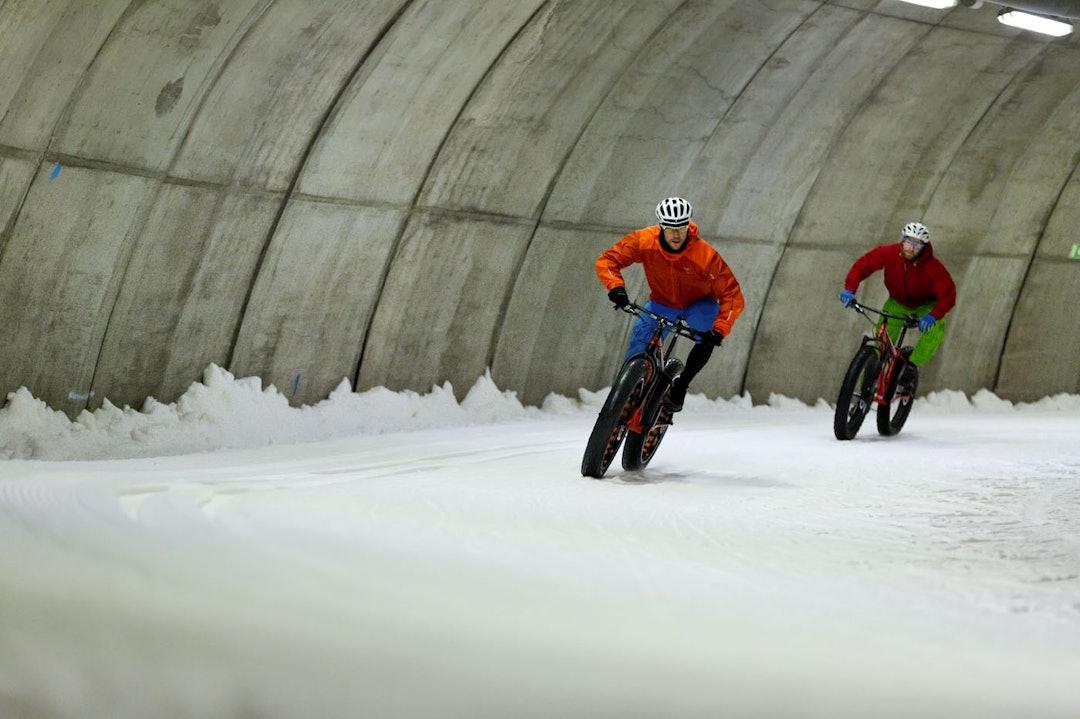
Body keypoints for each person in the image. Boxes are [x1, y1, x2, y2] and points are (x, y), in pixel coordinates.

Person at [595, 197, 744, 411]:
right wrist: (616, 287)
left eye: (681, 228)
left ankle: (681, 384)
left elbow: (732, 293)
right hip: (661, 302)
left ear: (688, 226)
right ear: (660, 226)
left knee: (708, 335)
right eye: (670, 228)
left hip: (699, 304)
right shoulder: (644, 241)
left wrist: (720, 330)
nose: (676, 234)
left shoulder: (705, 256)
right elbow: (608, 260)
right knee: (638, 347)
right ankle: (627, 397)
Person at [839, 221, 956, 376]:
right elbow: (862, 265)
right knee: (880, 344)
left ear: (924, 247)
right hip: (897, 302)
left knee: (935, 331)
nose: (911, 248)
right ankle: (864, 392)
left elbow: (948, 294)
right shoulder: (888, 253)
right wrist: (849, 289)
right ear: (902, 240)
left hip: (925, 305)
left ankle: (912, 366)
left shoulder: (933, 267)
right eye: (908, 242)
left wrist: (933, 315)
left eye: (917, 245)